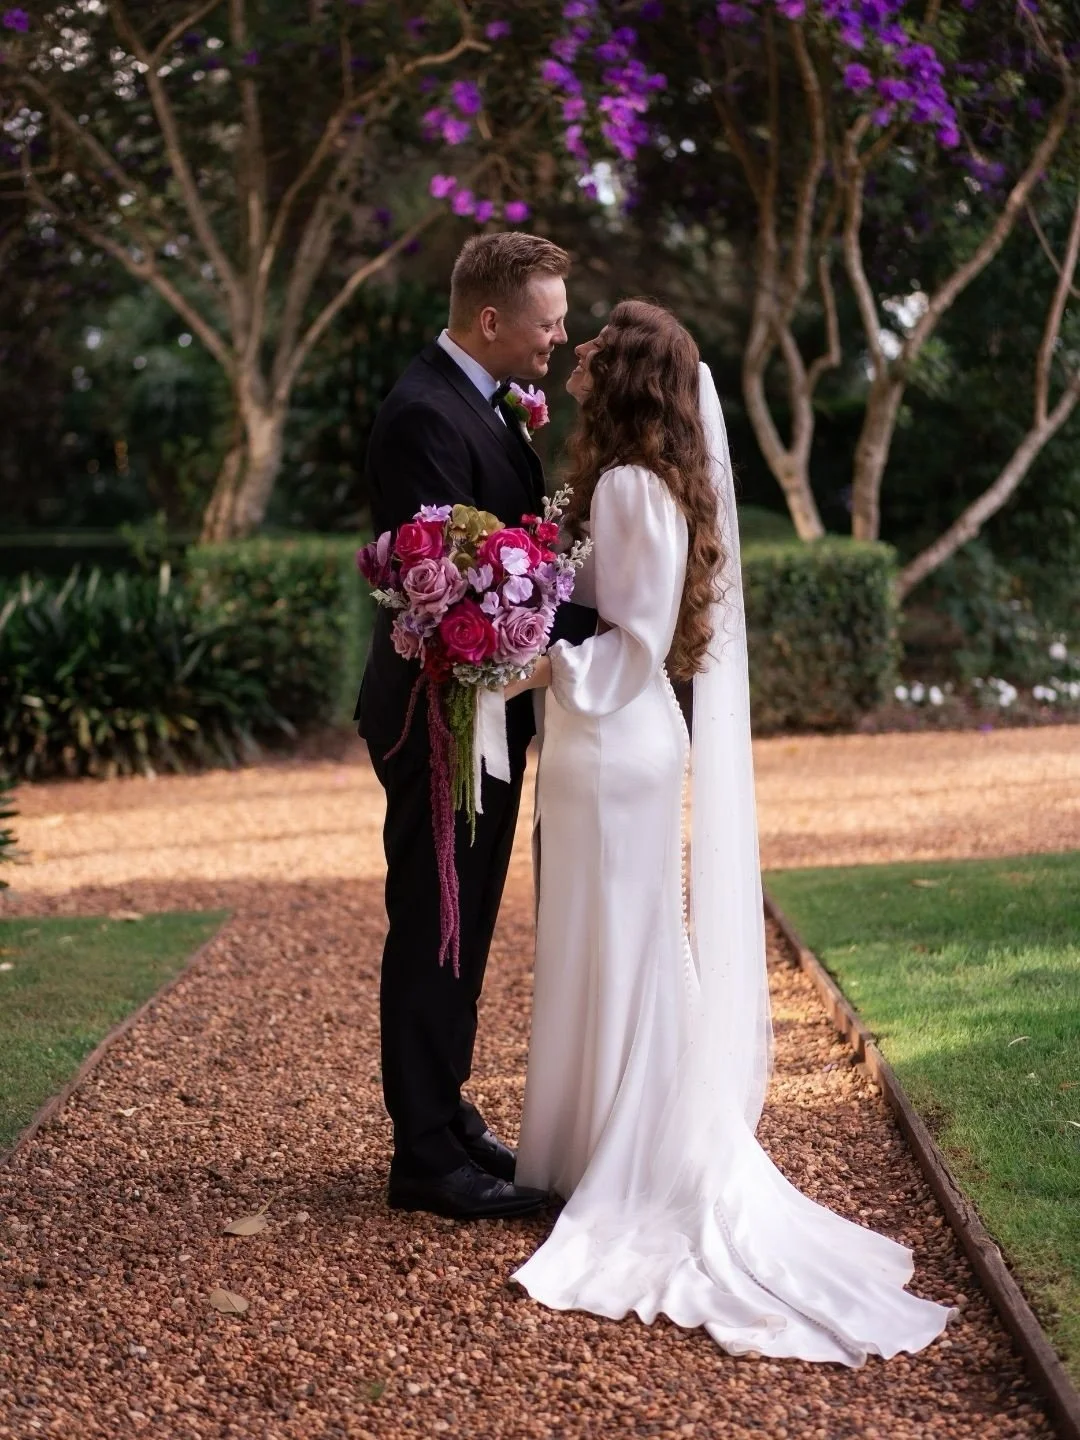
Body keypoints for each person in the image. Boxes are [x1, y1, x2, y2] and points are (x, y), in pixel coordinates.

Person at [505, 299, 954, 1364]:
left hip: (614, 747)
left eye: (595, 353)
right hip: (615, 748)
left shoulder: (625, 488)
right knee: (614, 948)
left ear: (625, 378)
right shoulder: (643, 482)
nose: (576, 363)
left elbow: (633, 641)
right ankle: (589, 1148)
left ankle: (625, 1159)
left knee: (623, 949)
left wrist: (537, 661)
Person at [355, 232, 596, 1220]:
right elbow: (448, 595)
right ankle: (422, 1155)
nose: (561, 337)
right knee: (433, 919)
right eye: (549, 321)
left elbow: (509, 565)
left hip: (487, 713)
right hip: (439, 716)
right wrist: (607, 627)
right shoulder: (423, 414)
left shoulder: (481, 403)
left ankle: (447, 1117)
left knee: (468, 917)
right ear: (491, 321)